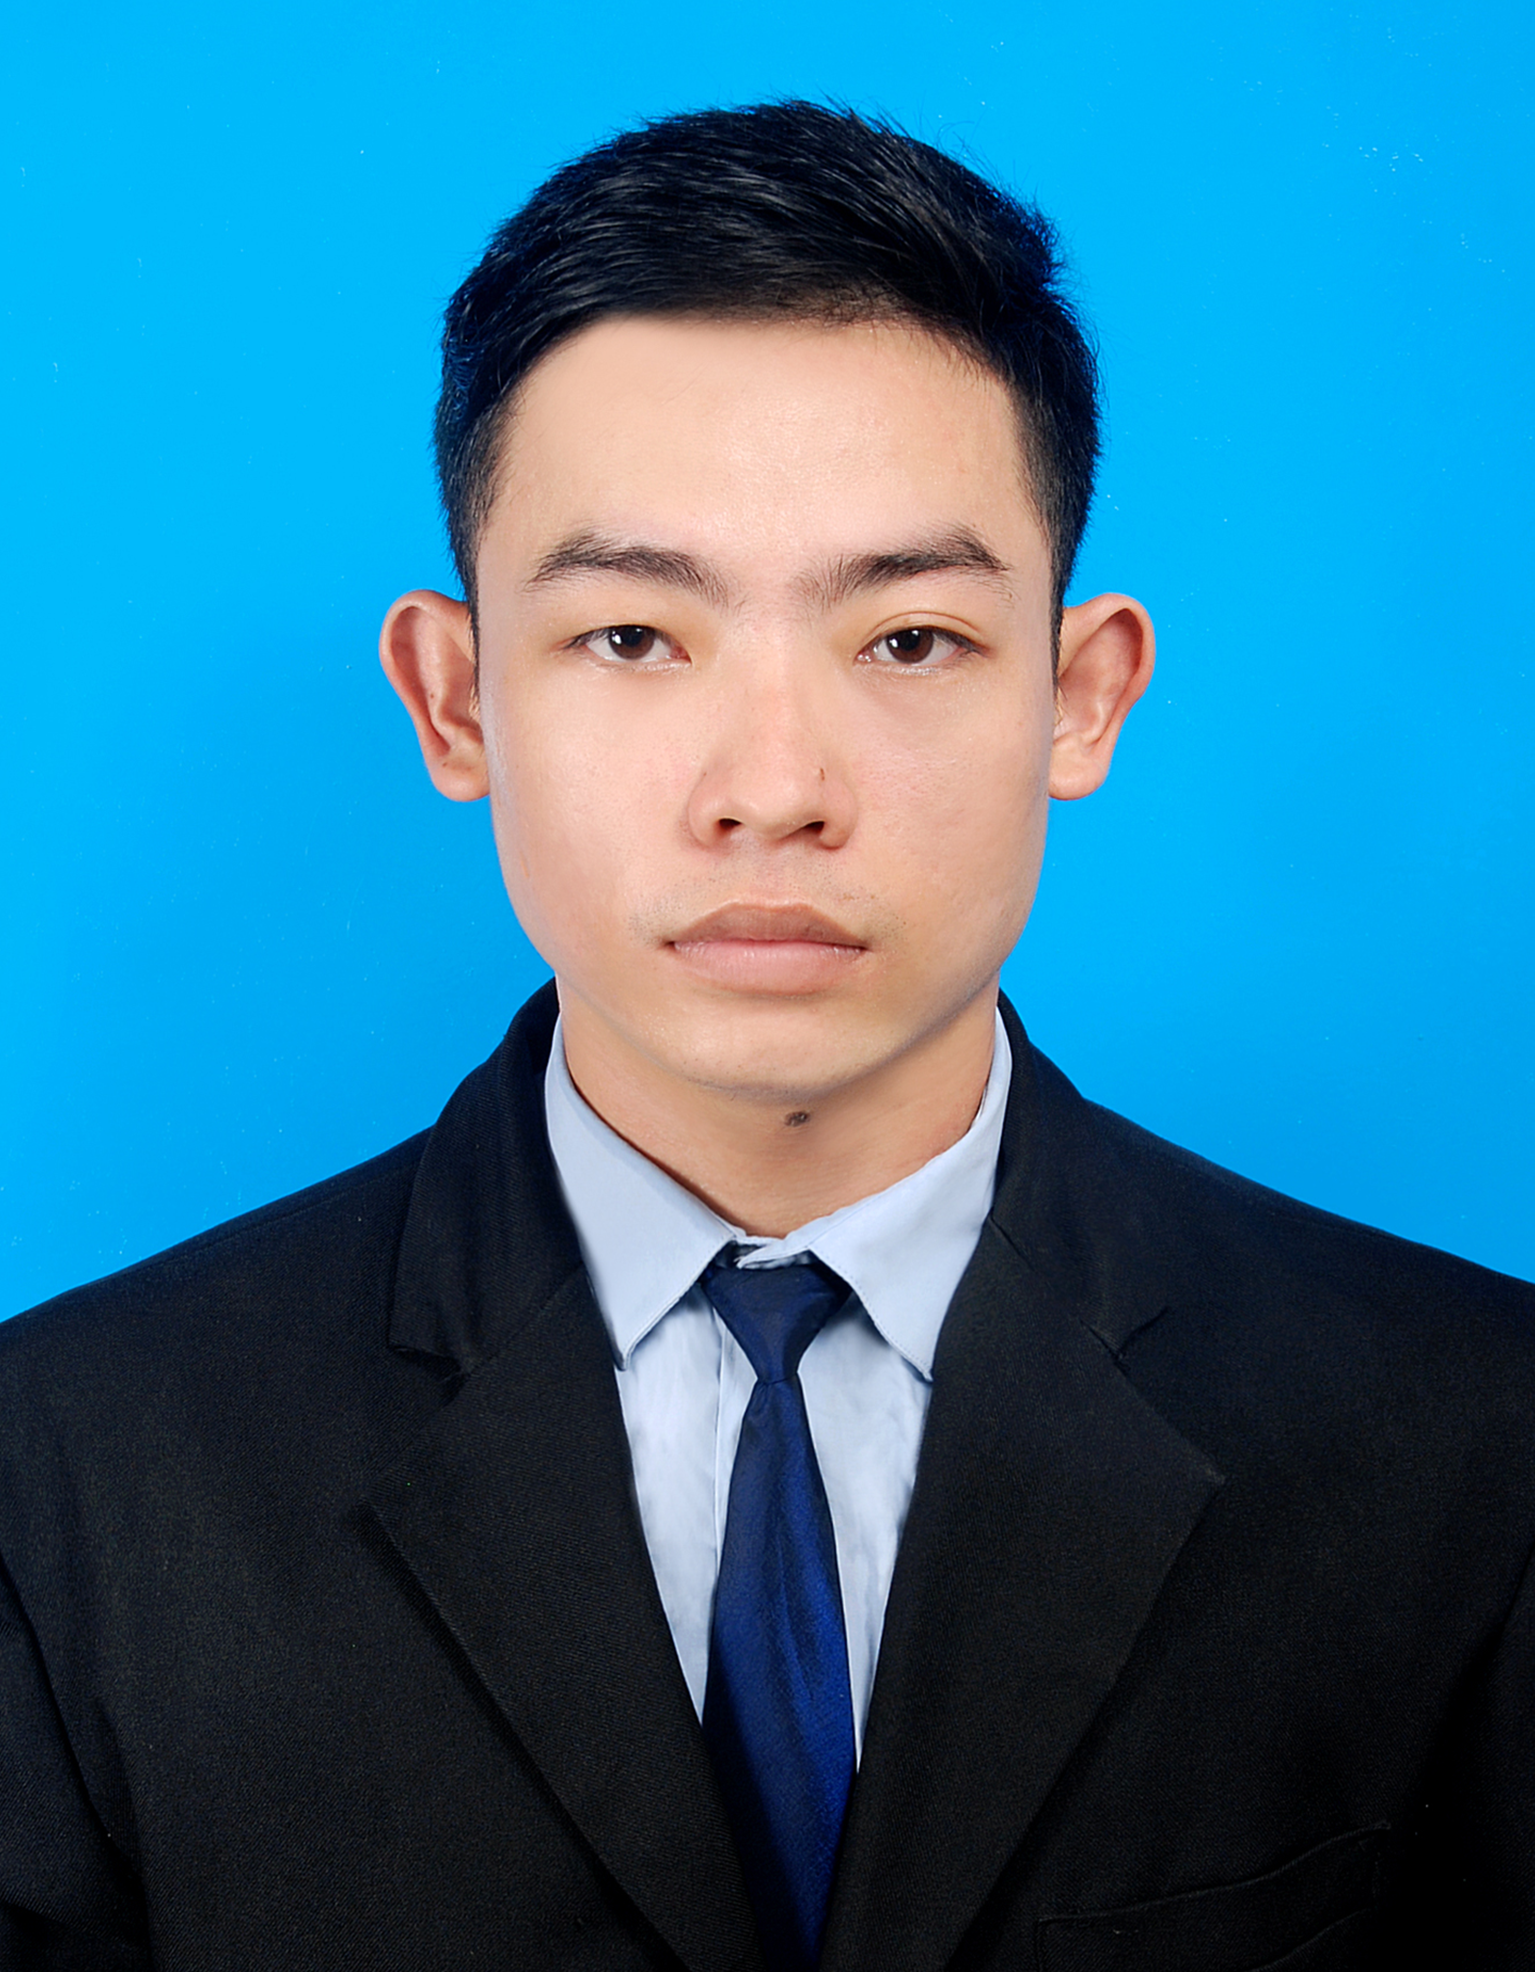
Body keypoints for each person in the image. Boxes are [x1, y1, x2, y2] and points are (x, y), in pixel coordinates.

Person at [1, 100, 1531, 1972]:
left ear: (1079, 695)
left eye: (908, 641)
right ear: (456, 699)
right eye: (633, 638)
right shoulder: (62, 1473)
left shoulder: (1476, 1440)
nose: (773, 788)